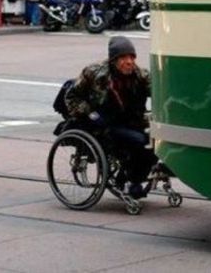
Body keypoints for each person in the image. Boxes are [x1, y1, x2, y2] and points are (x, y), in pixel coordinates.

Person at [65, 36, 157, 199]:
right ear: (114, 60)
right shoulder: (94, 72)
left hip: (131, 120)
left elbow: (158, 92)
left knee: (156, 140)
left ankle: (129, 177)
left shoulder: (140, 75)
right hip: (104, 124)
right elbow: (72, 97)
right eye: (124, 58)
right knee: (140, 141)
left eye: (131, 57)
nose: (129, 62)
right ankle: (133, 182)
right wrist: (91, 114)